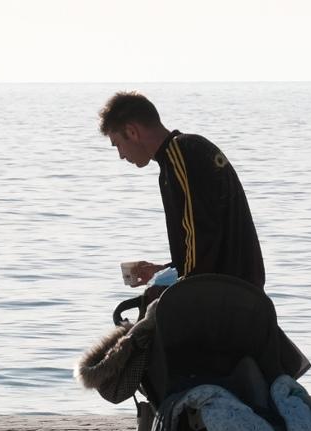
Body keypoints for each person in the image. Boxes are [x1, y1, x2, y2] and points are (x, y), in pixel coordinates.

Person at [99, 91, 266, 290]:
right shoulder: (182, 154)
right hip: (235, 286)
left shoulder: (180, 155)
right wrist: (165, 272)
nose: (121, 155)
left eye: (118, 144)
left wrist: (178, 286)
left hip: (220, 294)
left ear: (132, 132)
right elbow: (205, 240)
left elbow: (198, 233)